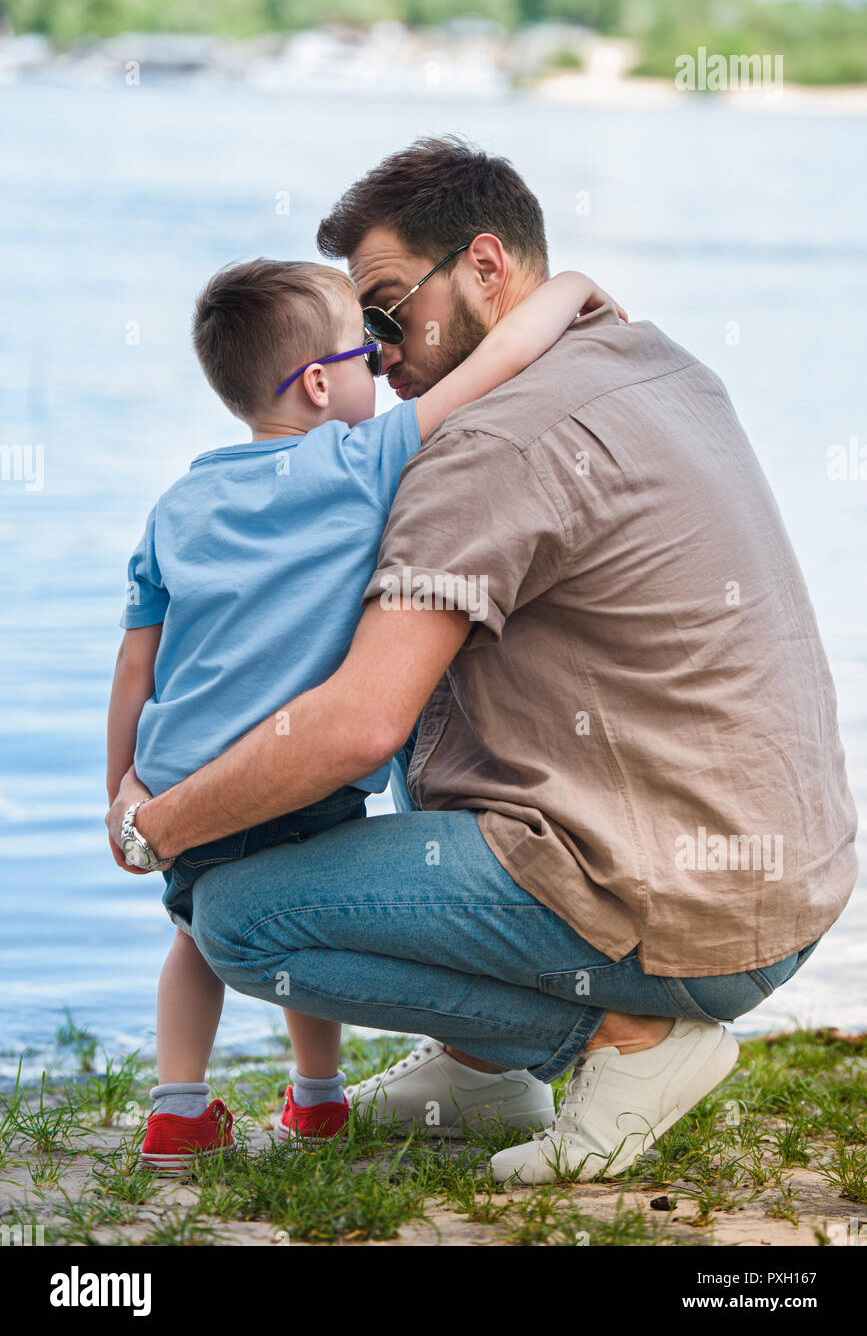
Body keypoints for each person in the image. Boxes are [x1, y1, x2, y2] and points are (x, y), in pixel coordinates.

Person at [109, 138, 858, 1186]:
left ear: (487, 267)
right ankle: (480, 1065)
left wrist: (156, 825)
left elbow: (360, 725)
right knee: (412, 658)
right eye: (359, 328)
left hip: (679, 910)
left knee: (236, 917)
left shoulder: (485, 447)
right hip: (776, 877)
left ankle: (625, 1046)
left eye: (385, 310)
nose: (379, 347)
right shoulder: (656, 362)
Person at [106, 253, 616, 1170]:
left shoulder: (175, 507)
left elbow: (134, 661)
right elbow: (492, 368)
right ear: (316, 382)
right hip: (296, 773)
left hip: (180, 780)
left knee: (192, 940)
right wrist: (570, 289)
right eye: (365, 352)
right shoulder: (361, 460)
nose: (381, 367)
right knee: (306, 923)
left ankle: (177, 1111)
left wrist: (123, 794)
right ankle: (317, 1100)